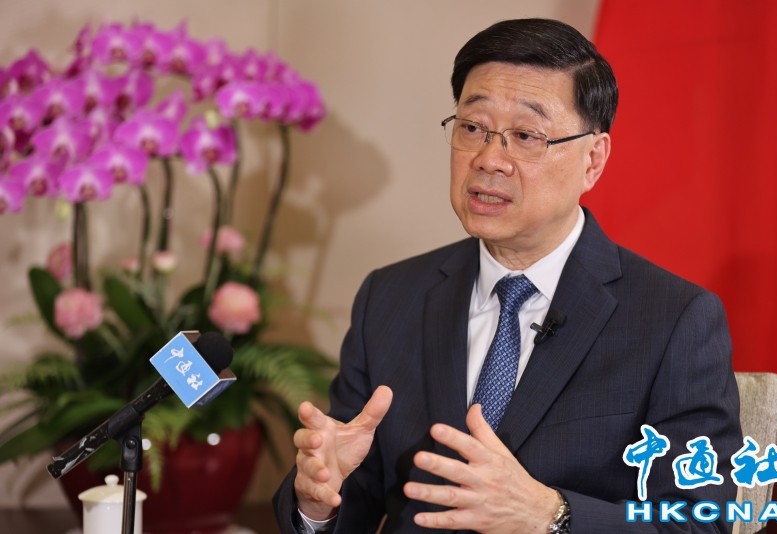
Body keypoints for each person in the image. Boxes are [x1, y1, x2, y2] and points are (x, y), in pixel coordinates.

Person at [273, 17, 742, 533]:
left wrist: (550, 515)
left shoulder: (673, 320)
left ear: (593, 159)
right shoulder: (389, 298)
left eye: (525, 135)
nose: (489, 160)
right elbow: (352, 496)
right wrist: (318, 503)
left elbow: (705, 523)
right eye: (472, 128)